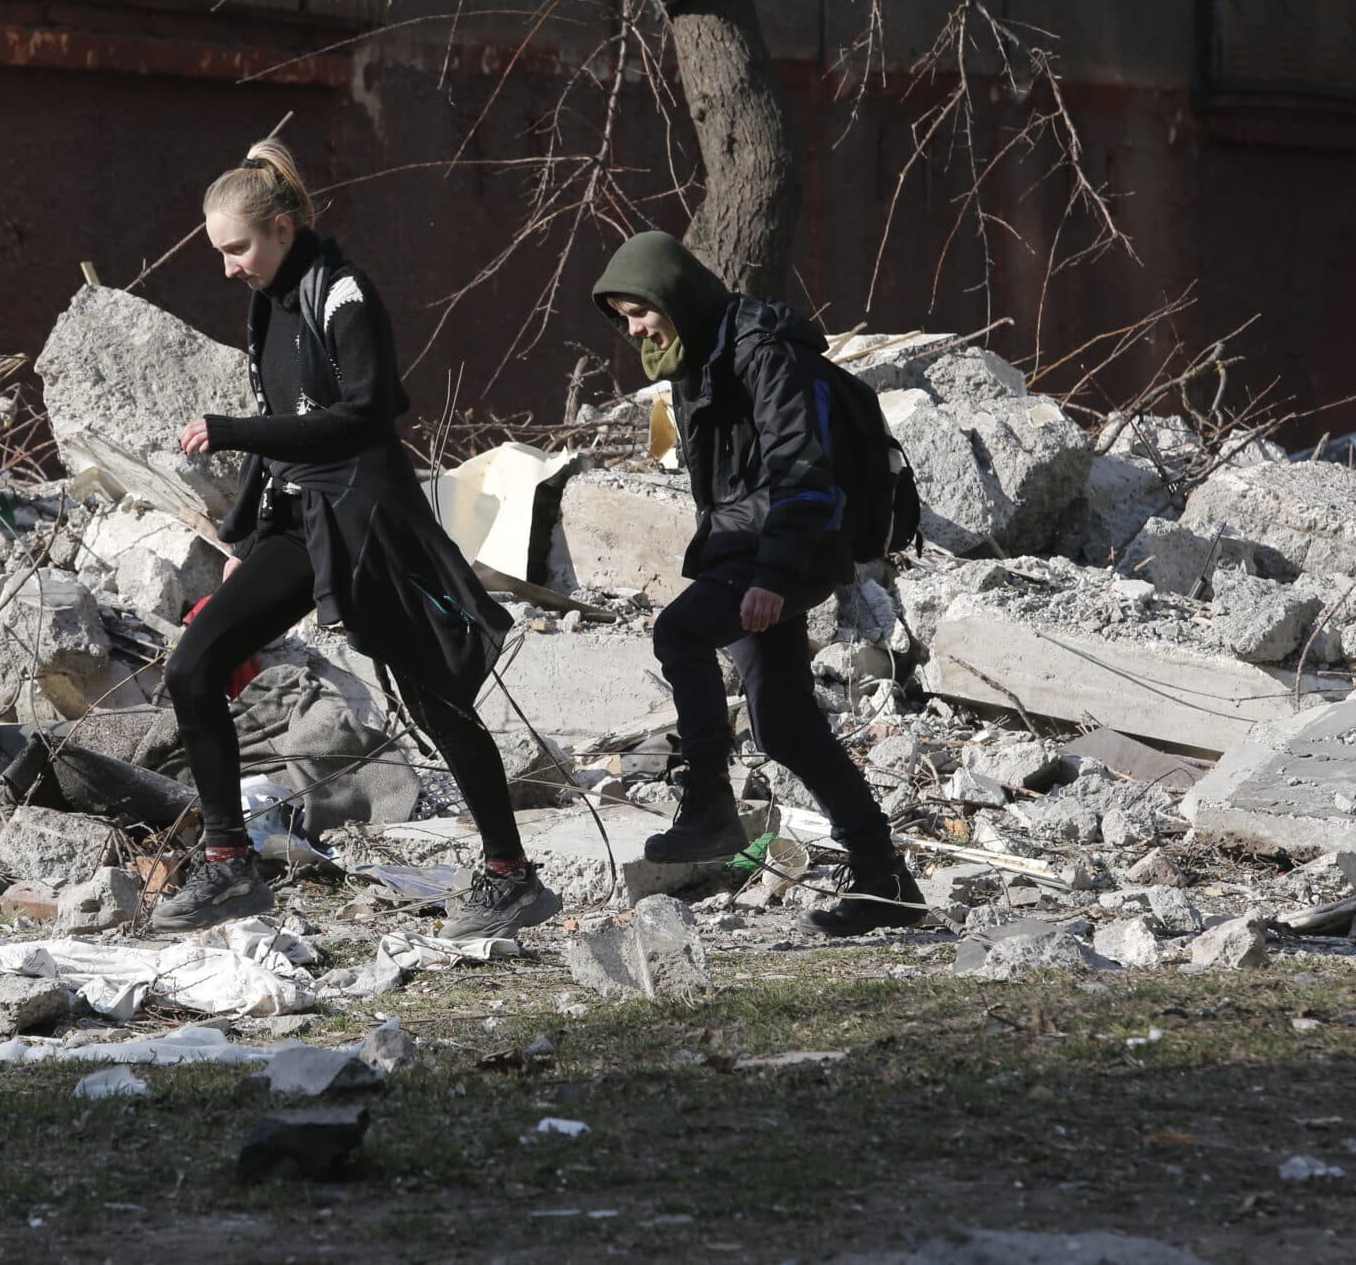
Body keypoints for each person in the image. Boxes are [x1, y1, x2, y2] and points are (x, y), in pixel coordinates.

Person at [153, 137, 560, 941]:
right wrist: (252, 531)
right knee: (193, 663)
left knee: (432, 698)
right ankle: (229, 860)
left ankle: (511, 873)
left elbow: (365, 414)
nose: (229, 265)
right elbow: (290, 436)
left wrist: (233, 430)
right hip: (302, 525)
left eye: (238, 247)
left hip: (368, 524)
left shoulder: (340, 294)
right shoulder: (267, 301)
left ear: (281, 227)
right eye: (220, 252)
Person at [591, 231, 926, 937]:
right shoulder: (694, 358)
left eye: (640, 310)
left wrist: (774, 574)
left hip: (793, 542)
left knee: (678, 631)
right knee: (788, 729)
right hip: (750, 544)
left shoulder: (760, 351)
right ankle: (885, 879)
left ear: (672, 293)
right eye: (624, 317)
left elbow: (801, 468)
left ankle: (709, 803)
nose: (635, 329)